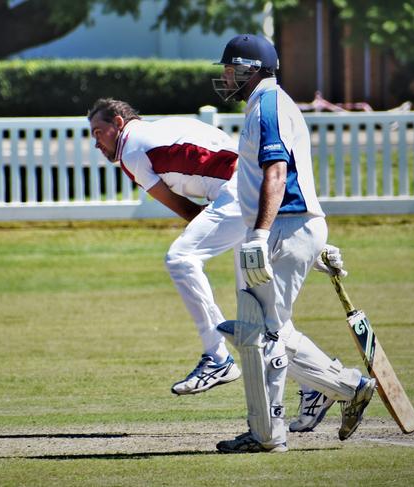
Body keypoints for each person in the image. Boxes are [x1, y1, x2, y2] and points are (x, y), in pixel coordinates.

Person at [87, 98, 346, 402]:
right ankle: (315, 387)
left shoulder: (131, 149)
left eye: (98, 131)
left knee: (181, 258)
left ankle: (217, 358)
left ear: (119, 123)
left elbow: (183, 208)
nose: (96, 142)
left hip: (236, 196)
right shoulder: (167, 126)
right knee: (259, 318)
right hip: (252, 195)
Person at [211, 34, 376, 454]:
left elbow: (278, 173)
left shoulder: (268, 103)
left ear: (252, 68)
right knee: (273, 329)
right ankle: (348, 386)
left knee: (259, 333)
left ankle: (268, 434)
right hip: (292, 226)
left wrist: (264, 235)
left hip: (283, 224)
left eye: (232, 68)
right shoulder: (270, 102)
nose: (226, 76)